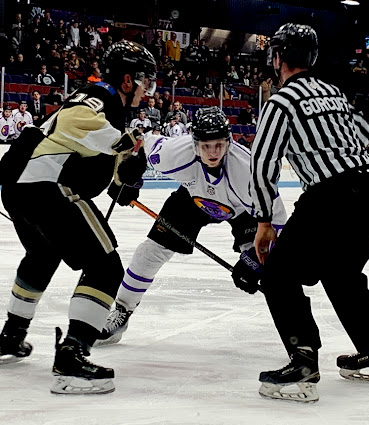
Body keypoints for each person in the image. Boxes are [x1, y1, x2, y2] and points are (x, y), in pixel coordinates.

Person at [0, 40, 157, 395]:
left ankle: (10, 337)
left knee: (42, 256)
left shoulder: (106, 101)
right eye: (145, 82)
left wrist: (123, 179)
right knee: (106, 267)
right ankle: (73, 355)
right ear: (128, 79)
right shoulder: (101, 93)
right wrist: (122, 144)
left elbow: (88, 149)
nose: (147, 91)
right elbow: (75, 121)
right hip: (47, 186)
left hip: (21, 188)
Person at [249, 23, 369, 404]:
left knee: (278, 273)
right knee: (342, 272)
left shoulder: (282, 101)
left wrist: (265, 220)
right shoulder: (334, 92)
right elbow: (362, 134)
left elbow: (263, 163)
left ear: (278, 56)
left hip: (331, 196)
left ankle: (302, 360)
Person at [94, 107, 287, 345]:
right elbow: (141, 143)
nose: (213, 152)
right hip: (192, 199)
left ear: (229, 141)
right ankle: (122, 310)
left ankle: (296, 337)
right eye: (206, 146)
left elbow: (277, 220)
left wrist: (254, 261)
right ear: (194, 144)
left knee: (266, 264)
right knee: (149, 252)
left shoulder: (247, 171)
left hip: (244, 211)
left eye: (219, 144)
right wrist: (127, 178)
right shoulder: (176, 153)